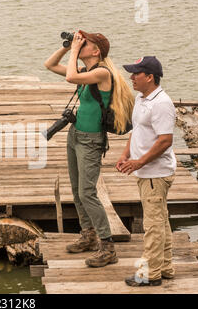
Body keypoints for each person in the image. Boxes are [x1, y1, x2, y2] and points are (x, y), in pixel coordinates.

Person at [44, 30, 134, 267]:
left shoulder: (102, 72)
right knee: (76, 189)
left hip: (91, 140)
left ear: (96, 51)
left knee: (87, 192)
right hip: (75, 136)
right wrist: (66, 47)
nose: (80, 45)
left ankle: (107, 247)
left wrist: (74, 50)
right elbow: (50, 65)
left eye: (86, 44)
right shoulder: (85, 72)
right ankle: (88, 235)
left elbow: (69, 78)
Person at [117, 56, 176, 286]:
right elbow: (137, 130)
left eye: (136, 74)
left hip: (155, 174)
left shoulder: (161, 103)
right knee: (161, 222)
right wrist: (126, 154)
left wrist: (139, 162)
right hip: (147, 171)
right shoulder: (142, 98)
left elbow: (165, 141)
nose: (131, 77)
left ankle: (149, 274)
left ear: (149, 77)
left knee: (152, 226)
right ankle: (166, 267)